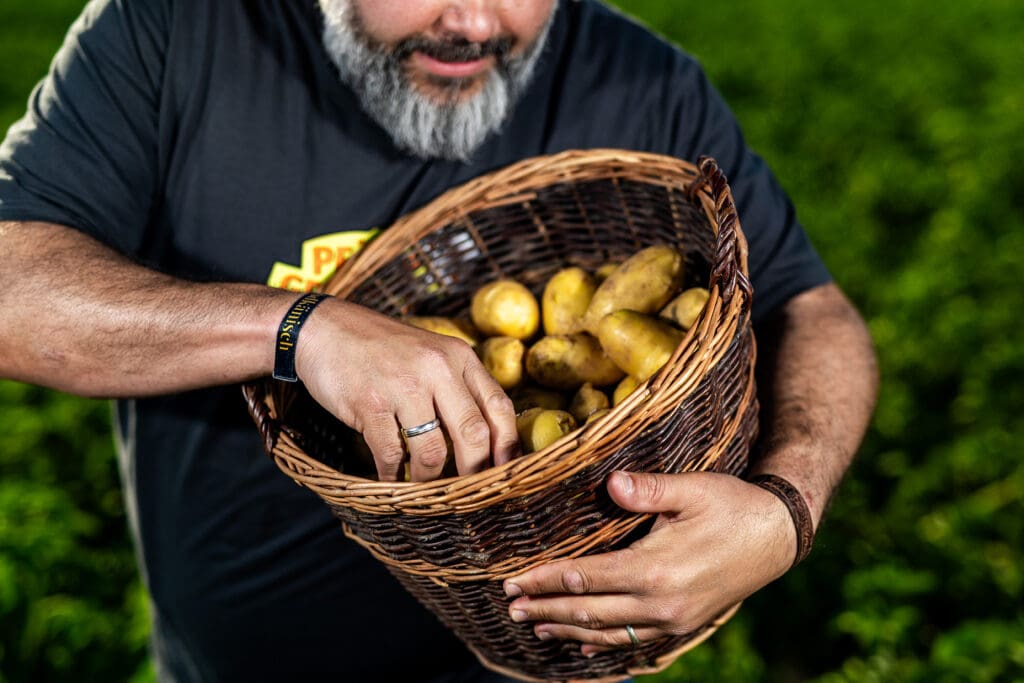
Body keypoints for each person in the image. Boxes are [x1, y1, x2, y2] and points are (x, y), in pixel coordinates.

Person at [0, 0, 878, 680]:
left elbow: (811, 307)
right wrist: (294, 327)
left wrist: (784, 508)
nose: (472, 22)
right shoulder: (174, 32)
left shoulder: (640, 83)